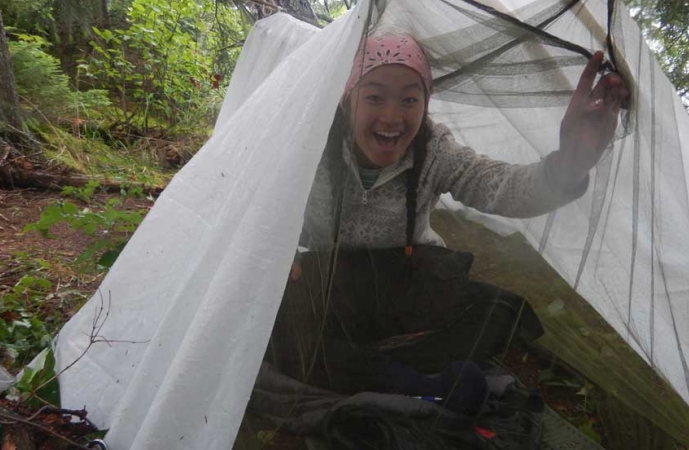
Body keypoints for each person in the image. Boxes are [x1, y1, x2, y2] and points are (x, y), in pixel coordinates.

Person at [267, 35, 629, 415]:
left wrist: (569, 164)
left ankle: (372, 366)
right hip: (332, 285)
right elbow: (265, 203)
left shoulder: (434, 149)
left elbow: (499, 187)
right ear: (347, 100)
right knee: (275, 323)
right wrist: (281, 253)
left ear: (426, 103)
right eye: (374, 97)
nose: (391, 117)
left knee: (498, 312)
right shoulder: (312, 142)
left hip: (405, 284)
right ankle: (423, 383)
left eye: (409, 100)